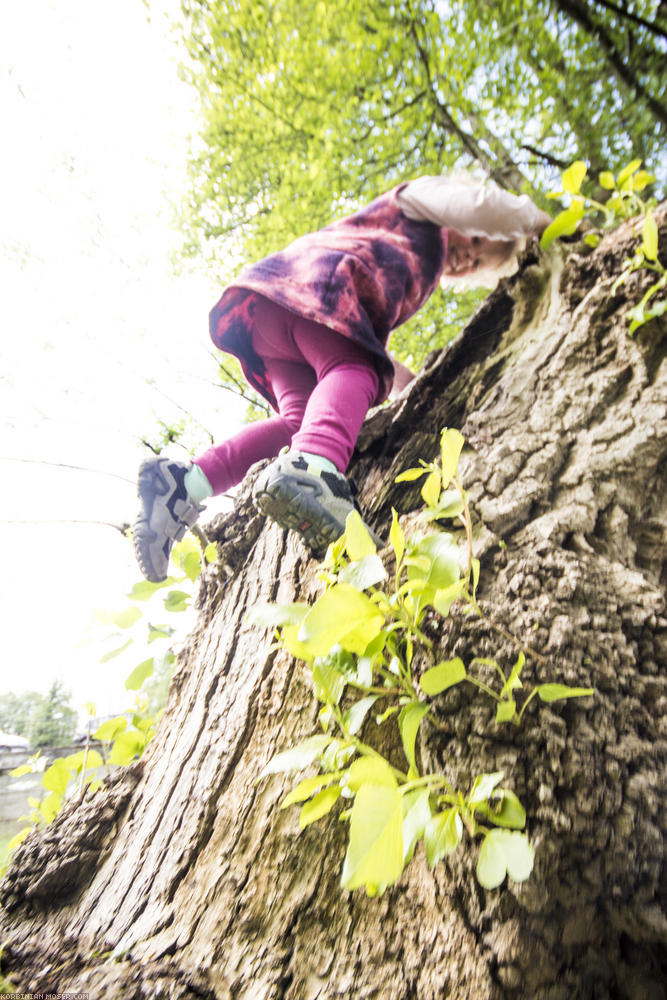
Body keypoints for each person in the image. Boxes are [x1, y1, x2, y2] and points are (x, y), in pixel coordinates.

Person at [133, 174, 551, 582]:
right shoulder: (419, 202)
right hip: (319, 289)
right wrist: (539, 222)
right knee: (356, 371)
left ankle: (185, 483)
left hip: (274, 320)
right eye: (476, 238)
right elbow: (477, 208)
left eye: (476, 262)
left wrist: (414, 382)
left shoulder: (417, 264)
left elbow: (367, 349)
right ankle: (315, 472)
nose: (467, 255)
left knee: (300, 424)